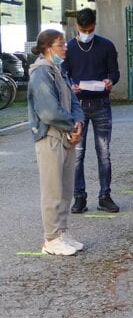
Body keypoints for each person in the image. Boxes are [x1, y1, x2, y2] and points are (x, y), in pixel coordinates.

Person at [28, 29, 85, 255]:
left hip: (67, 135)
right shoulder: (41, 72)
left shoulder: (59, 70)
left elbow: (74, 100)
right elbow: (49, 112)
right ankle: (51, 238)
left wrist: (78, 123)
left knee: (65, 189)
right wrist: (73, 125)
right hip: (50, 136)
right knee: (52, 190)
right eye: (60, 44)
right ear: (49, 48)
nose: (65, 47)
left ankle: (61, 231)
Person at [64, 8, 120, 214]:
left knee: (104, 153)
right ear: (77, 27)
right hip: (78, 106)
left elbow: (115, 72)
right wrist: (72, 85)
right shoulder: (69, 48)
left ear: (95, 25)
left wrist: (110, 81)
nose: (87, 32)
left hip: (101, 104)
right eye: (83, 29)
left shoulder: (106, 45)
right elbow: (65, 74)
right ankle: (79, 197)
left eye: (91, 29)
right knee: (77, 154)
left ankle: (105, 196)